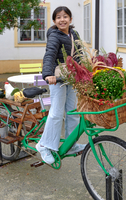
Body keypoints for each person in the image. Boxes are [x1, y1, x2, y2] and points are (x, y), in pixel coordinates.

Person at [36, 6, 85, 164]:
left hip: (71, 78)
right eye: (58, 17)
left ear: (70, 19)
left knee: (73, 112)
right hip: (57, 78)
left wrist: (83, 71)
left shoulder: (74, 34)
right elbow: (49, 54)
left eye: (65, 16)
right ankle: (44, 145)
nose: (62, 20)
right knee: (57, 113)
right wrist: (48, 75)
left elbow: (79, 54)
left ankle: (71, 145)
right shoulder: (54, 35)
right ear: (54, 21)